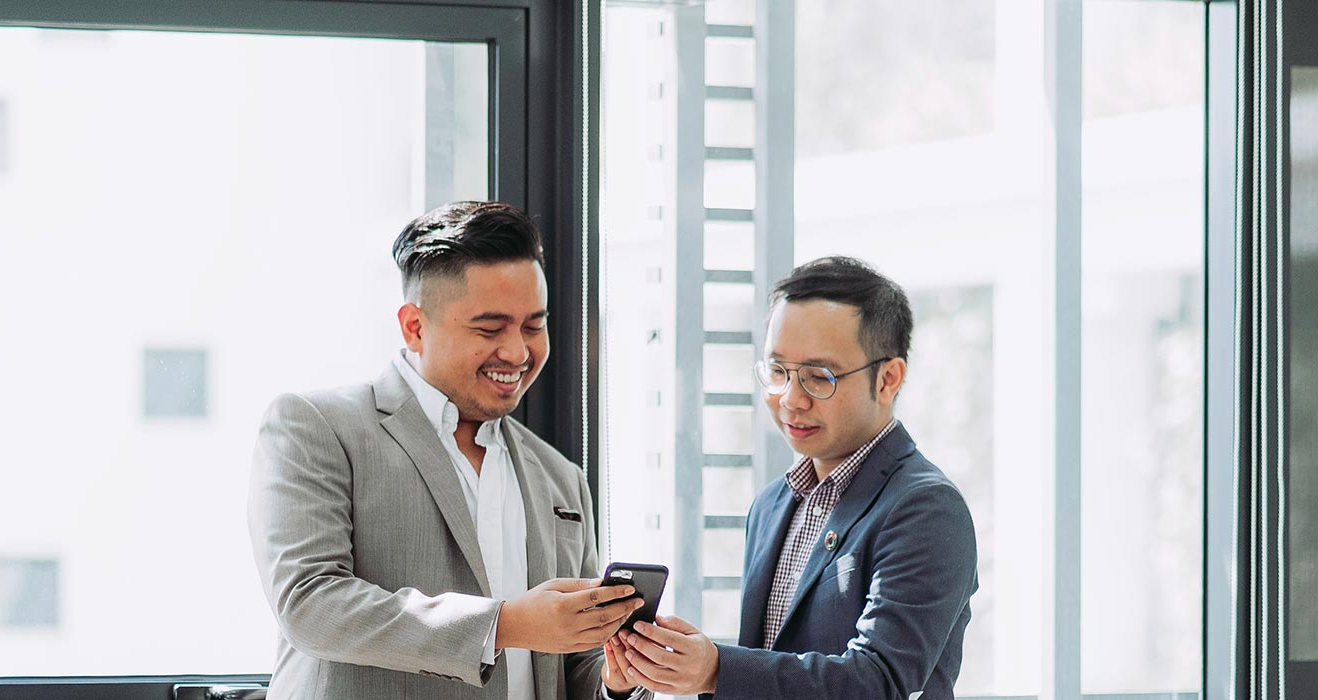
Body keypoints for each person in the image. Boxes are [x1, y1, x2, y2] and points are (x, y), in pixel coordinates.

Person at [248, 201, 645, 700]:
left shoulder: (560, 475)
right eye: (490, 328)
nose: (518, 352)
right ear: (414, 327)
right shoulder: (315, 427)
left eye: (533, 326)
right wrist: (505, 624)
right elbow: (311, 605)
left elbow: (572, 666)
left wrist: (617, 679)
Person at [605, 256, 979, 700]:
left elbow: (879, 682)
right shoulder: (771, 505)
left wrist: (716, 669)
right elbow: (766, 668)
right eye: (778, 371)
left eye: (819, 377)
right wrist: (661, 672)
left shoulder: (927, 508)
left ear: (888, 379)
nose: (791, 399)